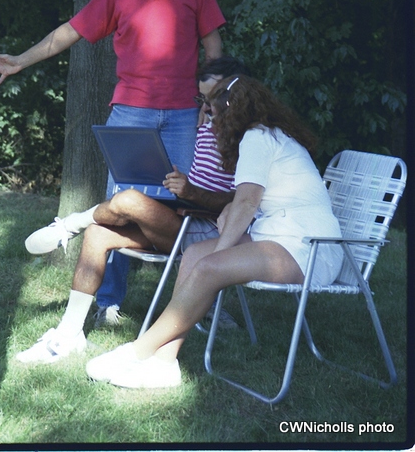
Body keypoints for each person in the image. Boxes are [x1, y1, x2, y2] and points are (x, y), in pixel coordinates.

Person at [0, 0, 225, 325]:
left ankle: (204, 307)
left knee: (194, 202)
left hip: (186, 112)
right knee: (120, 205)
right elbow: (70, 31)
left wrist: (212, 100)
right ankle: (108, 303)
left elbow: (213, 44)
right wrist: (20, 60)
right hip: (131, 112)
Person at [84, 74, 344, 389]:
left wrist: (221, 252)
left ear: (232, 111)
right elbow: (244, 200)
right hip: (279, 235)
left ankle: (138, 351)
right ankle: (165, 363)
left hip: (311, 248)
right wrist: (227, 218)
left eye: (214, 113)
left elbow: (247, 203)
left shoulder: (257, 138)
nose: (210, 121)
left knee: (209, 265)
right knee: (195, 254)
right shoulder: (264, 135)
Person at [15, 56, 249, 364]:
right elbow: (200, 184)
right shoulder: (206, 129)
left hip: (208, 234)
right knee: (98, 234)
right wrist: (175, 187)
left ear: (237, 95)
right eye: (201, 100)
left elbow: (243, 201)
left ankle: (71, 225)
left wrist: (191, 193)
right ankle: (68, 335)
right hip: (182, 220)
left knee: (128, 200)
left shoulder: (252, 139)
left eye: (212, 100)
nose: (205, 109)